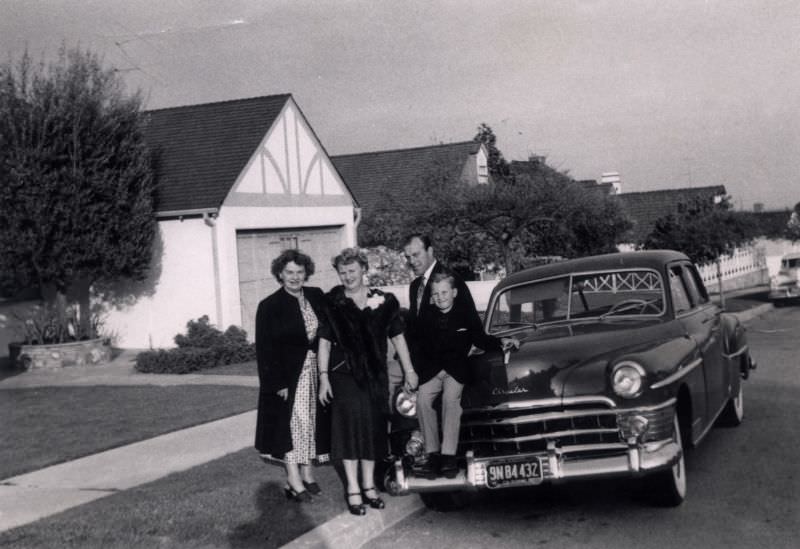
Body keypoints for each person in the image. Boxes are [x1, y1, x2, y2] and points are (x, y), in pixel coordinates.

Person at [317, 247, 418, 516]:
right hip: (344, 377)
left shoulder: (384, 301)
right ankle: (352, 489)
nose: (348, 276)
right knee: (349, 432)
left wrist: (409, 371)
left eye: (352, 271)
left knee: (373, 430)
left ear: (364, 270)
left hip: (375, 378)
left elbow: (398, 338)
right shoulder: (333, 303)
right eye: (343, 272)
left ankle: (369, 487)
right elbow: (324, 344)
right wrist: (324, 379)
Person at [415, 271, 519, 478]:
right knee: (422, 401)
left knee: (450, 401)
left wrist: (501, 342)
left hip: (457, 370)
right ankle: (432, 454)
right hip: (432, 370)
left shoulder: (466, 314)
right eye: (435, 294)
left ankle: (448, 456)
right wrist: (417, 371)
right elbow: (418, 346)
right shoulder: (426, 316)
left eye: (444, 292)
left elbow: (481, 339)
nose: (440, 297)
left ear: (454, 292)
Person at [254, 249, 330, 503]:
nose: (295, 277)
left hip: (315, 371)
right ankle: (293, 480)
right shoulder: (269, 306)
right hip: (289, 378)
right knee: (292, 427)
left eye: (299, 272)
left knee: (311, 423)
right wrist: (276, 383)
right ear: (280, 274)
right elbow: (264, 350)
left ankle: (307, 475)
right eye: (289, 272)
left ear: (306, 273)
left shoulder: (316, 296)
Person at [402, 233, 477, 328]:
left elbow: (472, 323)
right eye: (408, 257)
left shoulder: (451, 278)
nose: (411, 261)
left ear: (430, 251)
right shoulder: (415, 286)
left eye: (416, 255)